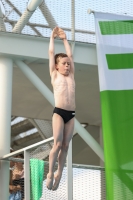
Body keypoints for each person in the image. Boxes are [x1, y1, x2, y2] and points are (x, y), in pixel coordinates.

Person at [46, 27, 75, 191]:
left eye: (68, 64)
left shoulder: (71, 76)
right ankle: (50, 173)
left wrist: (65, 39)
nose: (67, 66)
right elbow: (51, 53)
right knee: (57, 144)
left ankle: (59, 173)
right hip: (59, 112)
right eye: (64, 64)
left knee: (65, 146)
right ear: (57, 67)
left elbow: (70, 55)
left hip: (71, 114)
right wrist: (52, 37)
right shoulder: (55, 74)